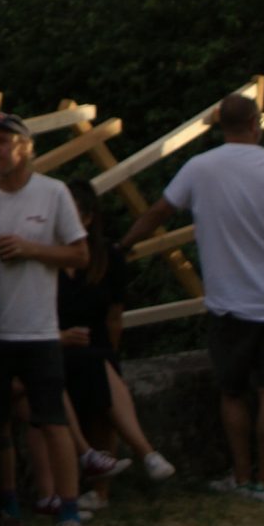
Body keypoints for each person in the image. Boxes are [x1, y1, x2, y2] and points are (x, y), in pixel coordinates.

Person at [116, 92, 264, 502]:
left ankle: (240, 476)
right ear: (256, 124)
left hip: (228, 303)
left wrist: (123, 246)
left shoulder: (200, 167)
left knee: (232, 392)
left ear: (220, 126)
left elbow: (158, 212)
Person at [0, 113, 92, 526]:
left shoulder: (53, 192)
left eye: (2, 141)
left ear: (25, 148)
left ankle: (70, 515)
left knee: (52, 422)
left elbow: (80, 256)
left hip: (40, 331)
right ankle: (7, 509)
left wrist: (31, 249)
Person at [54, 180, 175, 497]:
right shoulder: (47, 258)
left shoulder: (107, 258)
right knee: (100, 368)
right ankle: (146, 453)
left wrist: (110, 352)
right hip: (55, 345)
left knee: (101, 365)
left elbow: (114, 317)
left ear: (87, 218)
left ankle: (103, 486)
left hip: (93, 347)